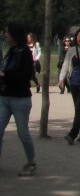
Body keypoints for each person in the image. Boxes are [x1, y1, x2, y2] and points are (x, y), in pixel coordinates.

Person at [0, 21, 37, 177]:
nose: (5, 34)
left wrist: (5, 75)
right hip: (4, 97)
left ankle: (31, 162)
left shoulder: (25, 53)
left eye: (7, 32)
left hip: (20, 99)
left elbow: (26, 76)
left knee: (22, 132)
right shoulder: (11, 51)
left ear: (14, 34)